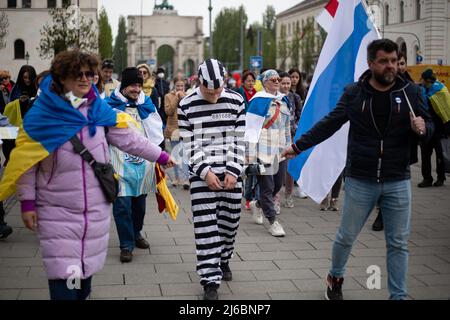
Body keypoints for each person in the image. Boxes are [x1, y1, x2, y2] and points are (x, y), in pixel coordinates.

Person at [0, 50, 175, 300]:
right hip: (57, 210)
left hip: (94, 211)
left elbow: (130, 140)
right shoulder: (43, 114)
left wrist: (161, 156)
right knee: (67, 280)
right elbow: (27, 163)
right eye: (77, 73)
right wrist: (27, 201)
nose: (84, 78)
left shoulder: (98, 110)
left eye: (89, 74)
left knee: (83, 283)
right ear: (62, 78)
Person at [282, 39, 433, 300]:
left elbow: (429, 127)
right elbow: (330, 123)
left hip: (397, 178)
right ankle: (335, 277)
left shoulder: (411, 93)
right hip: (360, 178)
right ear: (371, 63)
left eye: (394, 61)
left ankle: (398, 295)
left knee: (398, 243)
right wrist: (298, 146)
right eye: (384, 61)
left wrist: (422, 128)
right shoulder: (355, 93)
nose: (391, 67)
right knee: (346, 236)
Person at [178, 58, 245, 300]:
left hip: (231, 173)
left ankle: (224, 258)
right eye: (210, 91)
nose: (215, 95)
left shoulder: (236, 100)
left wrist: (233, 170)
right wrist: (205, 172)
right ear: (199, 83)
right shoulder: (185, 105)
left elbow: (239, 140)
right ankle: (210, 280)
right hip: (201, 176)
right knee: (206, 227)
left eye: (219, 90)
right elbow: (189, 145)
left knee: (230, 224)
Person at [106, 67, 166, 263]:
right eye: (133, 85)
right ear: (124, 86)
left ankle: (136, 232)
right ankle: (126, 244)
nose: (137, 89)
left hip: (143, 163)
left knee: (139, 204)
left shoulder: (146, 103)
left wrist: (160, 154)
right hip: (119, 163)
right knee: (122, 204)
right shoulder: (109, 105)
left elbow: (156, 128)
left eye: (139, 85)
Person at [246, 69, 291, 237]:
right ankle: (273, 222)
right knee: (267, 186)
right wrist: (250, 154)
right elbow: (250, 129)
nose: (277, 81)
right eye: (273, 79)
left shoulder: (284, 101)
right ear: (265, 82)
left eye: (278, 79)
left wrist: (289, 146)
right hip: (262, 150)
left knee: (278, 185)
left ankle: (258, 204)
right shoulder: (257, 101)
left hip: (280, 151)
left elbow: (286, 127)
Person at [418, 68, 450, 188]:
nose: (422, 81)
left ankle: (440, 177)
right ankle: (427, 178)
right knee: (425, 154)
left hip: (439, 129)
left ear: (428, 81)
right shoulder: (421, 90)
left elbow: (447, 109)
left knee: (440, 154)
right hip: (426, 127)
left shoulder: (441, 90)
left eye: (423, 80)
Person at [279, 72, 302, 208]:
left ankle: (288, 194)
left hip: (291, 136)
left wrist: (295, 127)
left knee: (289, 168)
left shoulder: (295, 97)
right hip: (277, 136)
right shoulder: (275, 98)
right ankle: (274, 196)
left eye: (288, 83)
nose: (286, 85)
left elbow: (299, 114)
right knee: (277, 167)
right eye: (284, 83)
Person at [236, 70, 258, 210]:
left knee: (253, 167)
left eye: (252, 81)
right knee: (246, 165)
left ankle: (250, 196)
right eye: (248, 81)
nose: (250, 83)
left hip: (255, 133)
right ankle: (245, 193)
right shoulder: (239, 94)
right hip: (242, 132)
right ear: (243, 82)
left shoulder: (257, 94)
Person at [164, 76, 189, 189]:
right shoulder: (168, 96)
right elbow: (168, 111)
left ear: (185, 87)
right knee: (175, 154)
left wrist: (183, 98)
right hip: (173, 129)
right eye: (178, 86)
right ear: (174, 86)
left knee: (184, 154)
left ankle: (186, 179)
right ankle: (176, 178)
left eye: (182, 86)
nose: (180, 88)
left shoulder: (188, 97)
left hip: (184, 128)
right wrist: (176, 98)